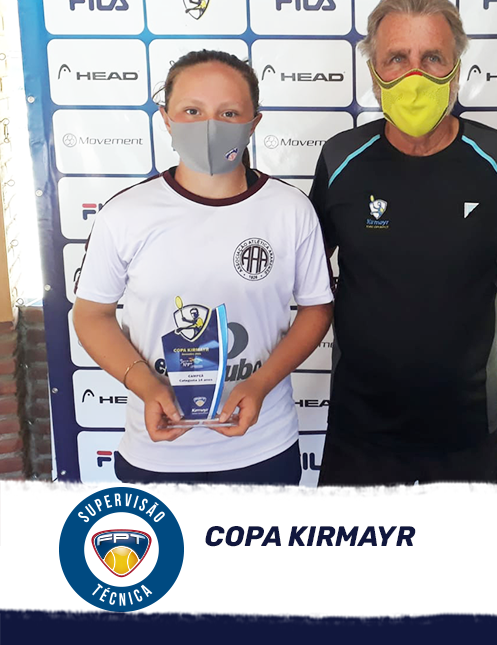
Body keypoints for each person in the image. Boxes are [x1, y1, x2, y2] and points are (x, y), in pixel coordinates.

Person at [73, 50, 333, 484]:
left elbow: (317, 308)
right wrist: (146, 386)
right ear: (166, 118)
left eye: (229, 113)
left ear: (254, 123)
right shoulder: (125, 214)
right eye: (192, 111)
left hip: (264, 448)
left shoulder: (290, 209)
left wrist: (260, 384)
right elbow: (91, 314)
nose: (210, 126)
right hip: (157, 455)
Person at [309, 0, 497, 486]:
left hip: (465, 428)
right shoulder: (339, 158)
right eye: (397, 58)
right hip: (359, 430)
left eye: (432, 57)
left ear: (456, 69)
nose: (415, 75)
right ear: (375, 74)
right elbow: (305, 277)